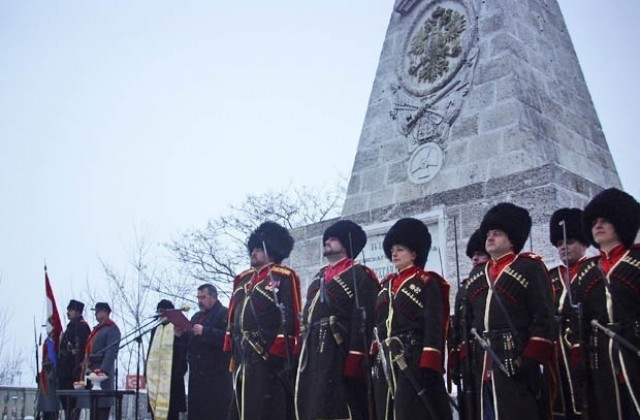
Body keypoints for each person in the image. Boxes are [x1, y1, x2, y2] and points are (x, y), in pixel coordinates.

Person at [464, 203, 555, 420]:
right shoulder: (478, 274)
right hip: (483, 359)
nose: (490, 238)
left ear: (512, 239)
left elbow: (543, 315)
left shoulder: (529, 267)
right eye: (488, 234)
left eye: (497, 233)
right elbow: (468, 319)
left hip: (513, 356)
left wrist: (530, 358)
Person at [295, 220, 380, 420]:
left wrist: (356, 355)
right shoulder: (318, 276)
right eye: (327, 239)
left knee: (339, 404)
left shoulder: (360, 275)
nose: (328, 242)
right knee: (314, 403)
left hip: (338, 348)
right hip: (314, 348)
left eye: (333, 239)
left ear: (346, 243)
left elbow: (364, 319)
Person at [372, 218, 451, 420]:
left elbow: (434, 323)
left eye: (400, 249)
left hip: (412, 357)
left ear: (414, 254)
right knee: (386, 410)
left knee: (411, 411)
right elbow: (379, 322)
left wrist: (430, 359)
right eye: (392, 250)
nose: (394, 253)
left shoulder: (426, 281)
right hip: (386, 359)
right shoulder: (385, 285)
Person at [571, 188, 640, 419]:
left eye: (605, 220)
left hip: (634, 351)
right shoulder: (587, 270)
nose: (598, 226)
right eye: (594, 222)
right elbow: (579, 321)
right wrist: (579, 358)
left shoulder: (636, 260)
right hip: (601, 361)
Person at [224, 221, 301, 420]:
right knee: (241, 407)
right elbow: (233, 314)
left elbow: (291, 316)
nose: (254, 253)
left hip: (265, 353)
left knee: (263, 409)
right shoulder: (243, 280)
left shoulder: (283, 277)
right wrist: (230, 345)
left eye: (259, 249)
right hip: (243, 353)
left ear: (271, 250)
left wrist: (278, 351)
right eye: (253, 248)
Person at [547, 208, 588, 419]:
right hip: (556, 354)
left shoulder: (592, 270)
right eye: (559, 244)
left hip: (584, 350)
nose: (563, 247)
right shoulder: (551, 276)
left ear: (584, 243)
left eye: (569, 241)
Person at [448, 229, 488, 418]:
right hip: (469, 360)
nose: (475, 259)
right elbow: (457, 326)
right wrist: (456, 356)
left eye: (480, 254)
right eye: (473, 256)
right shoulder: (464, 287)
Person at [176, 284, 230, 420]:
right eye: (198, 297)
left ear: (213, 297)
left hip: (216, 379)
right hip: (196, 379)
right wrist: (180, 335)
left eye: (203, 297)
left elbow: (228, 338)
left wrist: (205, 331)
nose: (200, 301)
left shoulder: (225, 313)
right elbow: (189, 344)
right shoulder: (196, 316)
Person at [146, 299, 188, 420]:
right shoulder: (156, 329)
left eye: (163, 312)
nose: (161, 314)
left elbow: (183, 353)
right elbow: (151, 353)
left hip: (172, 381)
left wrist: (177, 338)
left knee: (171, 415)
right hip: (156, 381)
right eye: (159, 311)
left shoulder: (178, 328)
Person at [83, 302, 122, 420]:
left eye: (98, 311)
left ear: (105, 312)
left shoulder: (111, 329)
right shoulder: (97, 330)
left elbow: (111, 352)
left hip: (102, 374)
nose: (95, 314)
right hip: (92, 371)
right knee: (94, 410)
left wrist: (102, 371)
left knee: (102, 409)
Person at [57, 299, 91, 420]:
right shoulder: (70, 327)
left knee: (73, 405)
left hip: (74, 372)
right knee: (65, 404)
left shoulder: (82, 327)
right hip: (64, 371)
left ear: (77, 312)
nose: (68, 313)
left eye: (70, 310)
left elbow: (83, 349)